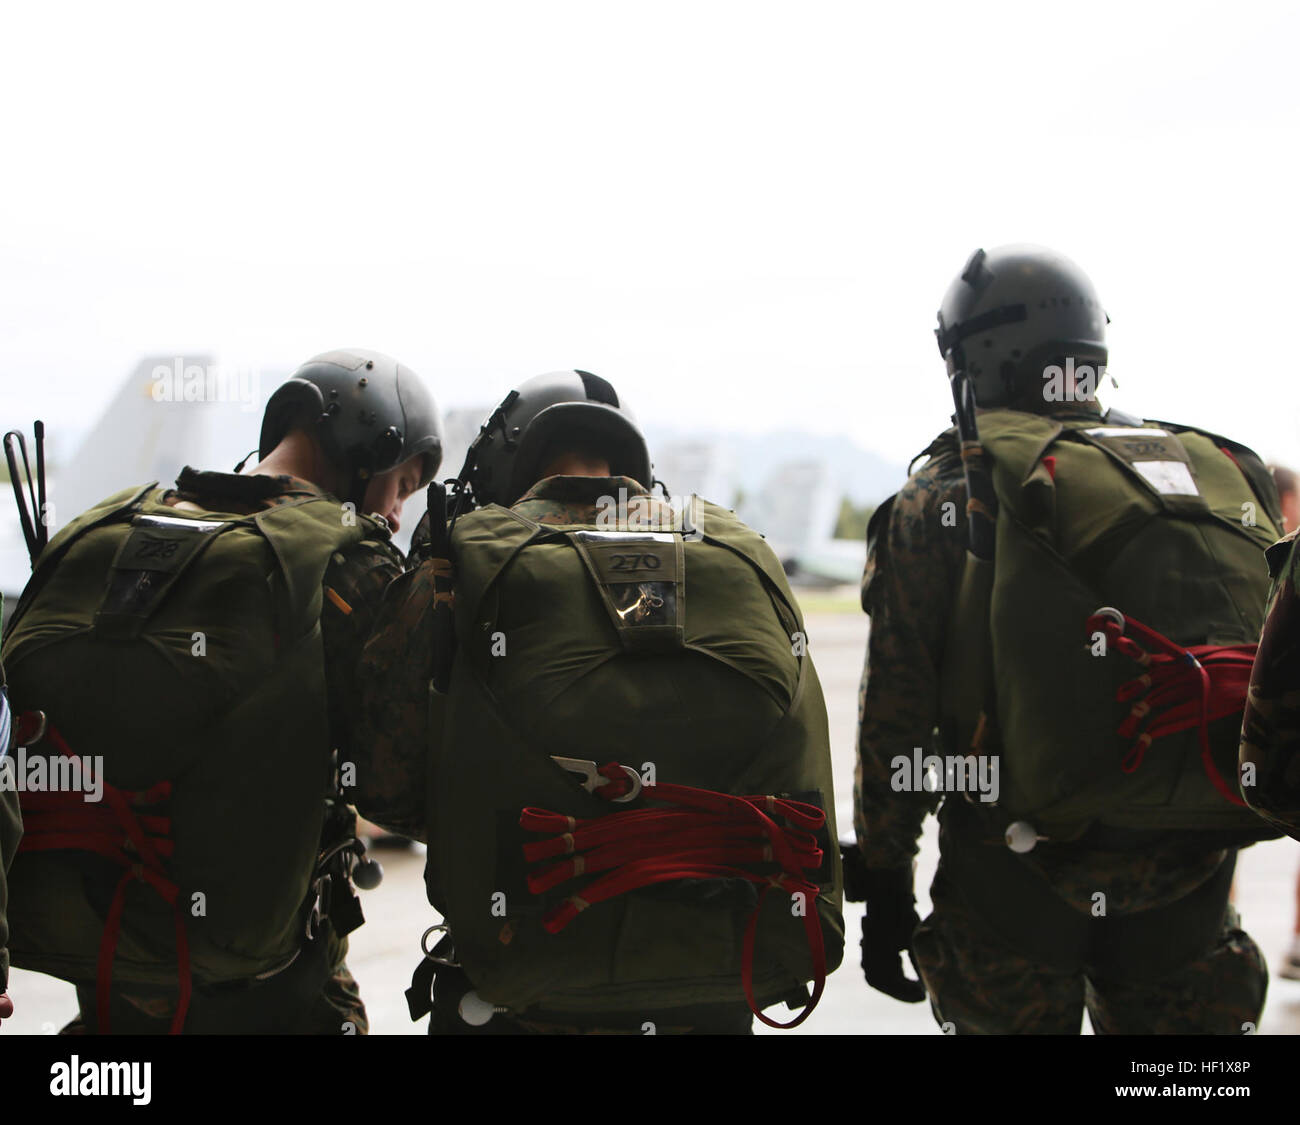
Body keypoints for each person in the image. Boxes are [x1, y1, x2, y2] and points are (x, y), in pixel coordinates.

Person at [855, 245, 1280, 1034]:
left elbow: (898, 717)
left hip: (1011, 888)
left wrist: (886, 882)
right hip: (1188, 883)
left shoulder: (944, 497)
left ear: (969, 357)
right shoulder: (1204, 470)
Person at [354, 369, 843, 1034]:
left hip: (522, 992)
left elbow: (386, 792)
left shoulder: (463, 562)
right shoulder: (736, 550)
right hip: (718, 987)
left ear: (509, 465)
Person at [1, 347, 441, 1034]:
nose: (397, 509)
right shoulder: (346, 565)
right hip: (269, 992)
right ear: (373, 453)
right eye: (403, 483)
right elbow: (402, 797)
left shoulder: (108, 524)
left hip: (101, 979)